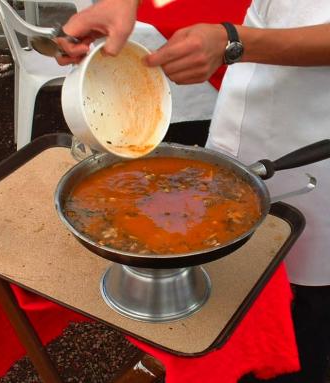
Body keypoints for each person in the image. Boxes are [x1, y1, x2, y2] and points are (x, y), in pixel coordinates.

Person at [55, 1, 330, 382]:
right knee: (226, 284)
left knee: (302, 315)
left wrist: (234, 41)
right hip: (250, 92)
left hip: (319, 132)